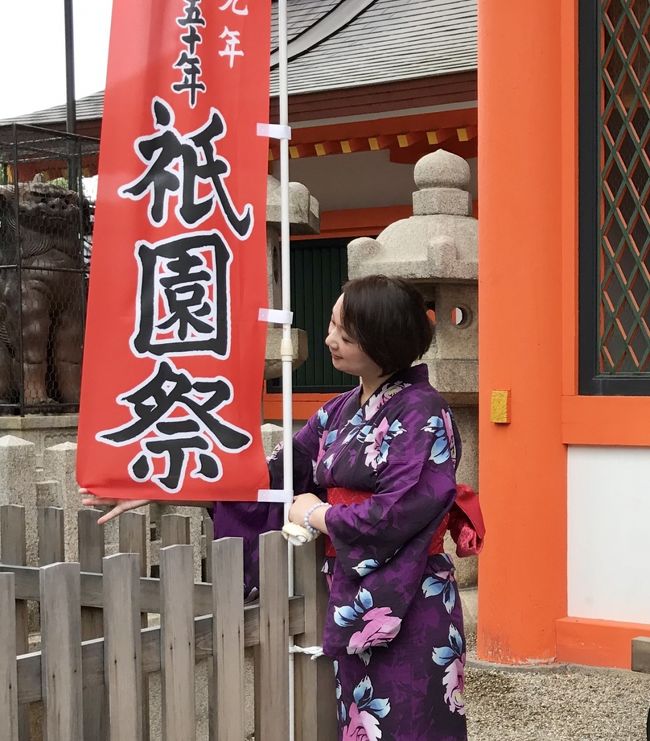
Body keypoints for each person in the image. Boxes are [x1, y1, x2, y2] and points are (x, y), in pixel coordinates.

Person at [83, 274, 484, 741]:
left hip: (412, 597)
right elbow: (269, 478)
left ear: (383, 345)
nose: (330, 339)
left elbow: (396, 515)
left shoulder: (424, 413)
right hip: (357, 595)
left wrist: (316, 514)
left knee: (414, 723)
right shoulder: (339, 410)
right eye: (333, 325)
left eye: (345, 334)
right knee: (361, 725)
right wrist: (163, 487)